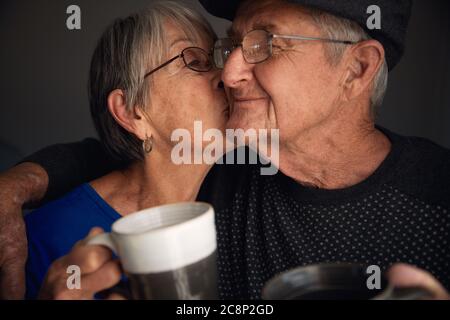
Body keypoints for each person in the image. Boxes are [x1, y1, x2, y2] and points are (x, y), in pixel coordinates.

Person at [0, 0, 449, 300]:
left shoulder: (437, 203)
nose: (230, 72)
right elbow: (120, 164)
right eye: (231, 46)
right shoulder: (215, 177)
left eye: (265, 44)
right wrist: (17, 184)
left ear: (357, 68)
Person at [22, 1, 228, 299]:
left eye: (218, 58)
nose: (226, 75)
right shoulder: (45, 239)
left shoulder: (246, 191)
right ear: (132, 112)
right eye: (194, 62)